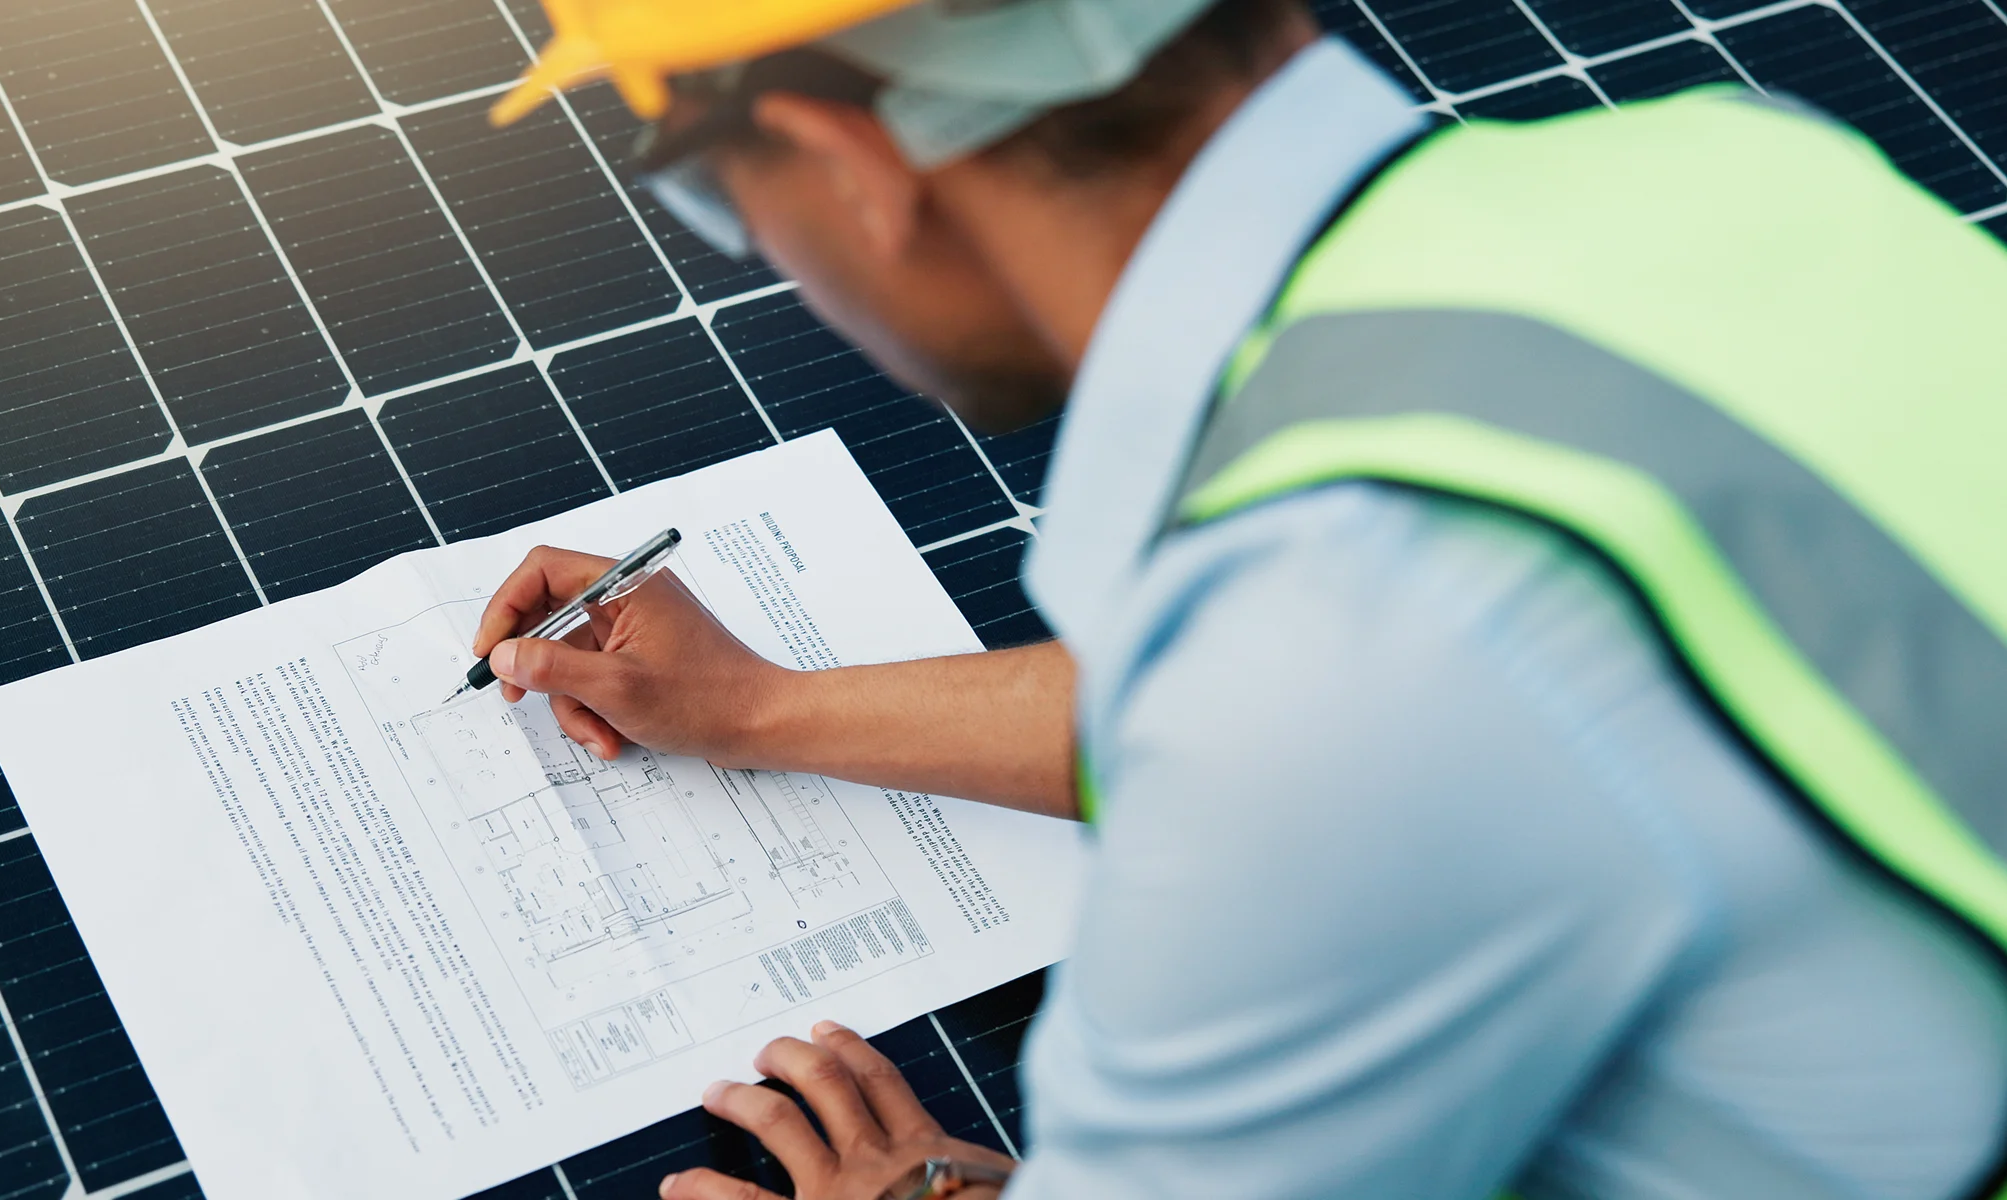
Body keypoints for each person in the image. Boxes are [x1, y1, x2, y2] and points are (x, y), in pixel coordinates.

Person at [473, 0, 2007, 1196]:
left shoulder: (1333, 664)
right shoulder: (1725, 166)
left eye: (716, 201)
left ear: (849, 162)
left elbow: (1362, 705)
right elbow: (1458, 704)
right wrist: (762, 711)